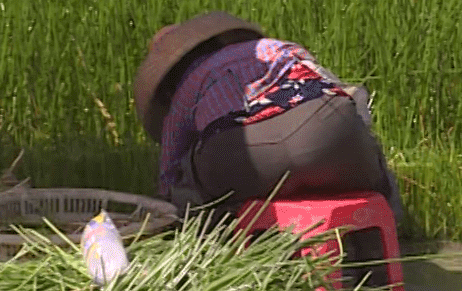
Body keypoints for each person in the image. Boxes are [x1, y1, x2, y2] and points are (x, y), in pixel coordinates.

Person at [134, 12, 401, 219]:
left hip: (244, 160)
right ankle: (390, 231)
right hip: (328, 136)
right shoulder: (277, 48)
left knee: (187, 176)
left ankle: (221, 251)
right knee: (368, 148)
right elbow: (342, 94)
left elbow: (168, 173)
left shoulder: (185, 91)